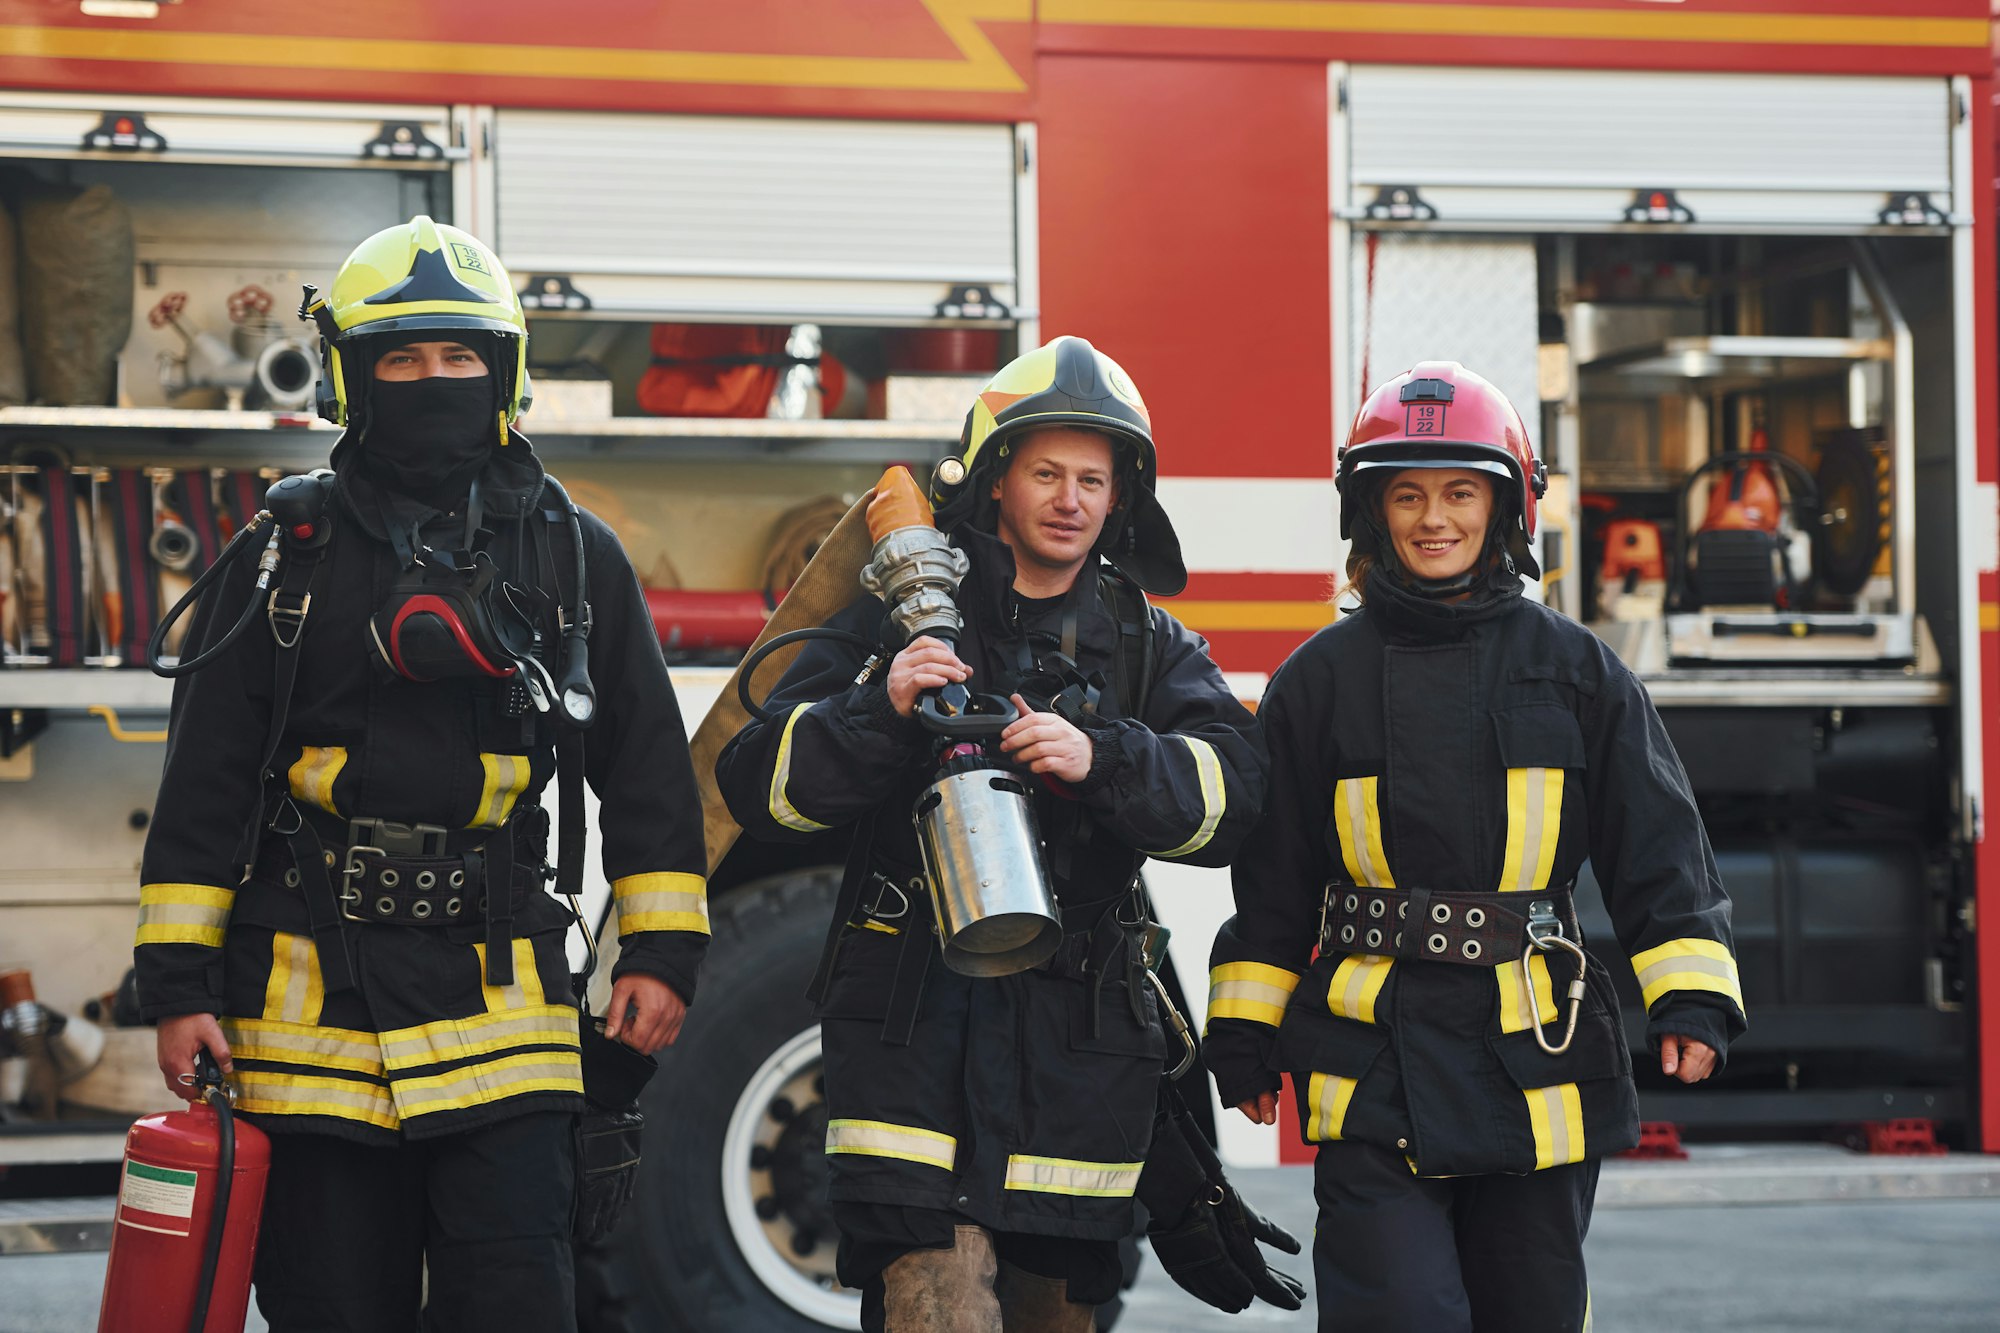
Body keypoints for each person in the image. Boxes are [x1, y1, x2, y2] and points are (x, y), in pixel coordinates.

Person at [132, 216, 709, 1333]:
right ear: (354, 374)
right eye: (400, 357)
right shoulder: (282, 553)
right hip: (309, 1025)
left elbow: (642, 762)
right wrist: (178, 987)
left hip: (506, 1017)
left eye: (459, 357)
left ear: (503, 372)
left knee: (520, 1309)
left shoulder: (568, 551)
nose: (432, 380)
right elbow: (204, 778)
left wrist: (664, 947)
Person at [716, 336, 1285, 1331]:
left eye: (1091, 479)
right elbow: (755, 785)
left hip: (1077, 1065)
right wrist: (878, 710)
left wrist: (1103, 756)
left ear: (1121, 498)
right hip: (910, 1042)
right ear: (994, 481)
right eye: (1045, 473)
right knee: (930, 1306)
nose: (1068, 498)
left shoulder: (1148, 644)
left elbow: (1237, 795)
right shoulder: (896, 618)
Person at [1205, 362, 1747, 1333]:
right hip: (1370, 1062)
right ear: (1367, 513)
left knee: (1529, 1314)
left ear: (1505, 509)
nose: (1432, 518)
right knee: (1396, 1314)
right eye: (1404, 494)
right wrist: (1245, 1030)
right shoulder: (1315, 682)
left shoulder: (1576, 671)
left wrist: (1692, 993)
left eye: (1459, 491)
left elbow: (1658, 845)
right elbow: (1274, 877)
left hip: (1528, 1062)